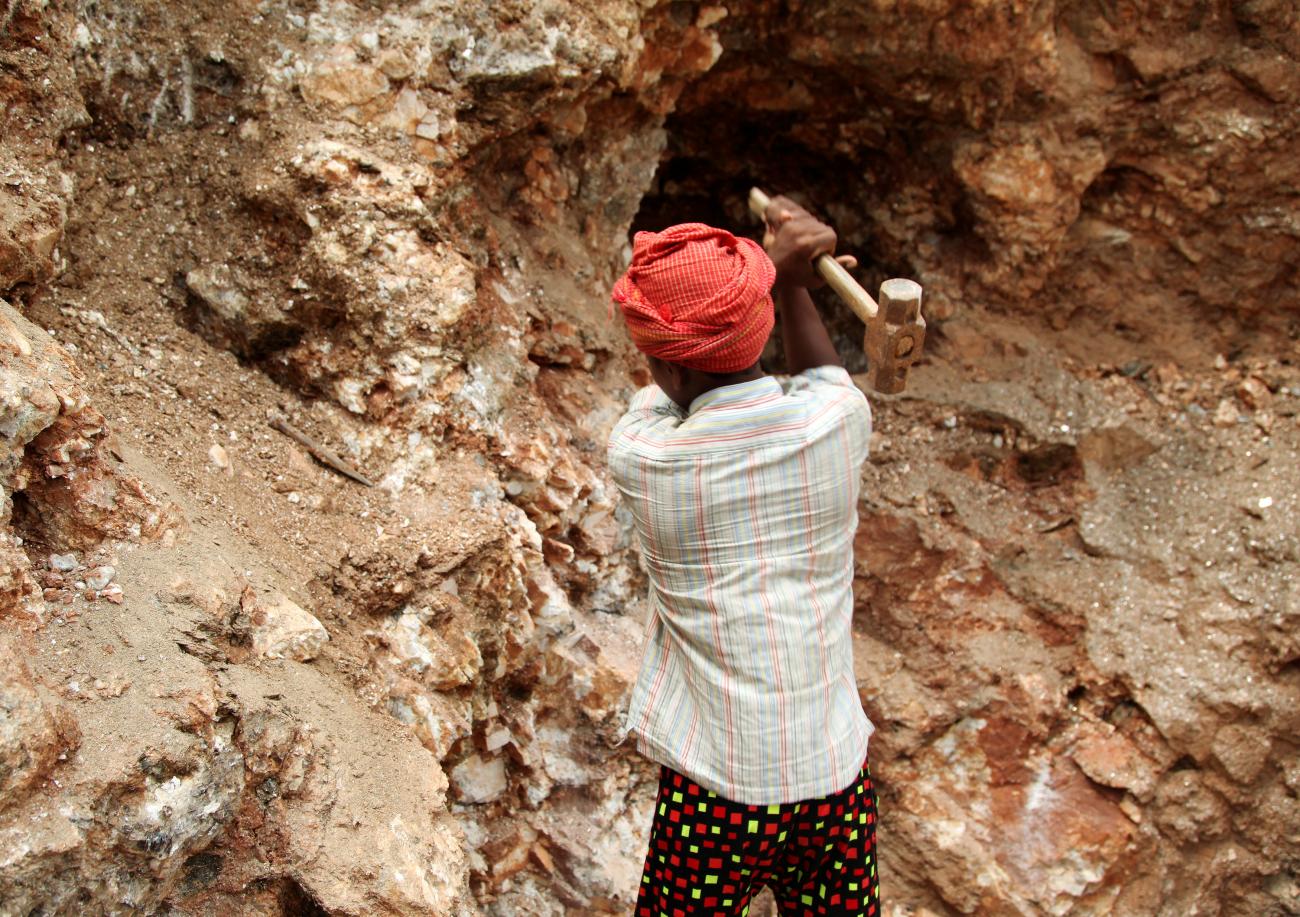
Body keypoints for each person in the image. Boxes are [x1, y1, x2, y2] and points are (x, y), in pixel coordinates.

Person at [607, 196, 880, 917]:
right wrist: (789, 280)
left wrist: (771, 277)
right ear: (761, 325)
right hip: (832, 776)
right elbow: (825, 378)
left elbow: (665, 394)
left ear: (665, 363)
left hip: (719, 793)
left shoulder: (643, 455)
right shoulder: (839, 426)